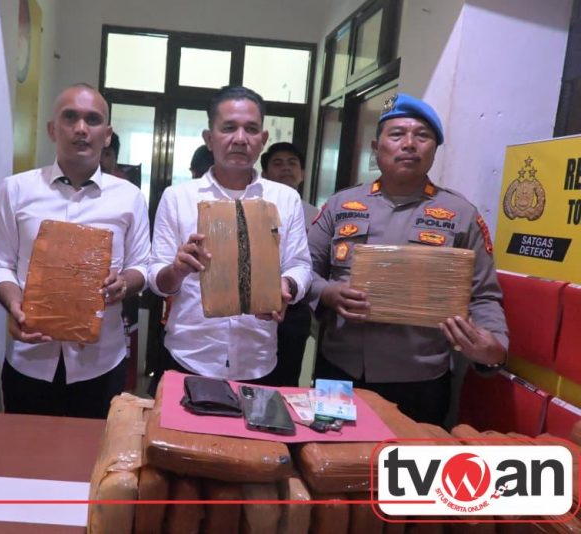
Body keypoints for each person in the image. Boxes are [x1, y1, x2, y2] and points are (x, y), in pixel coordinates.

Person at [307, 92, 508, 425]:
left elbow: (484, 296)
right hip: (340, 369)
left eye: (422, 136)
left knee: (408, 457)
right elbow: (305, 271)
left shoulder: (461, 215)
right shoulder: (340, 205)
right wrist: (327, 293)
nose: (410, 144)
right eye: (397, 134)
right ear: (376, 148)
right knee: (328, 451)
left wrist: (494, 347)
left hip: (420, 379)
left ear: (434, 149)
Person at [0, 83, 150, 419]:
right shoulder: (16, 190)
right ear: (52, 129)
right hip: (30, 359)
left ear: (107, 135)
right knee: (24, 449)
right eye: (70, 117)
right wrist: (14, 304)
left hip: (101, 363)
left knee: (94, 451)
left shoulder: (129, 197)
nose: (81, 128)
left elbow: (142, 266)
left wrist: (124, 283)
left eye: (93, 120)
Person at [148, 85, 312, 389]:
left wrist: (287, 285)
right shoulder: (178, 197)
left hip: (258, 359)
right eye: (228, 128)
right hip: (188, 356)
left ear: (262, 139)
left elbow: (300, 265)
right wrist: (177, 270)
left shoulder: (285, 199)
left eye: (251, 129)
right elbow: (156, 279)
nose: (240, 138)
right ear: (209, 138)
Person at [260, 141, 319, 386]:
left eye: (292, 163)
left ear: (302, 173)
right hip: (259, 307)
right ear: (265, 173)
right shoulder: (257, 208)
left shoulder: (316, 214)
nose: (286, 168)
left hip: (295, 307)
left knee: (286, 379)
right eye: (278, 163)